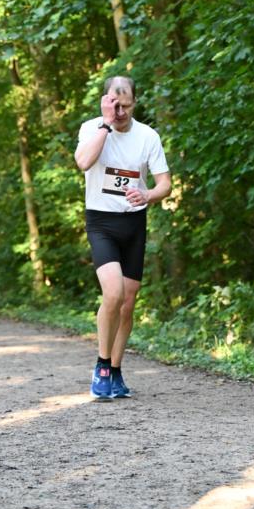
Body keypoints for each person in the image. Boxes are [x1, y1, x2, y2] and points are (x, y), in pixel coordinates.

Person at [75, 75, 171, 399]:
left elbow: (165, 184)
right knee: (113, 294)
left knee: (128, 304)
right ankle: (101, 366)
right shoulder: (92, 129)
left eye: (125, 105)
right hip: (101, 222)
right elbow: (83, 162)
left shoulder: (148, 136)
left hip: (134, 223)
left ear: (134, 103)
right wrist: (105, 126)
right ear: (105, 101)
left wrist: (148, 196)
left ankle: (116, 370)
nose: (120, 112)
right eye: (114, 105)